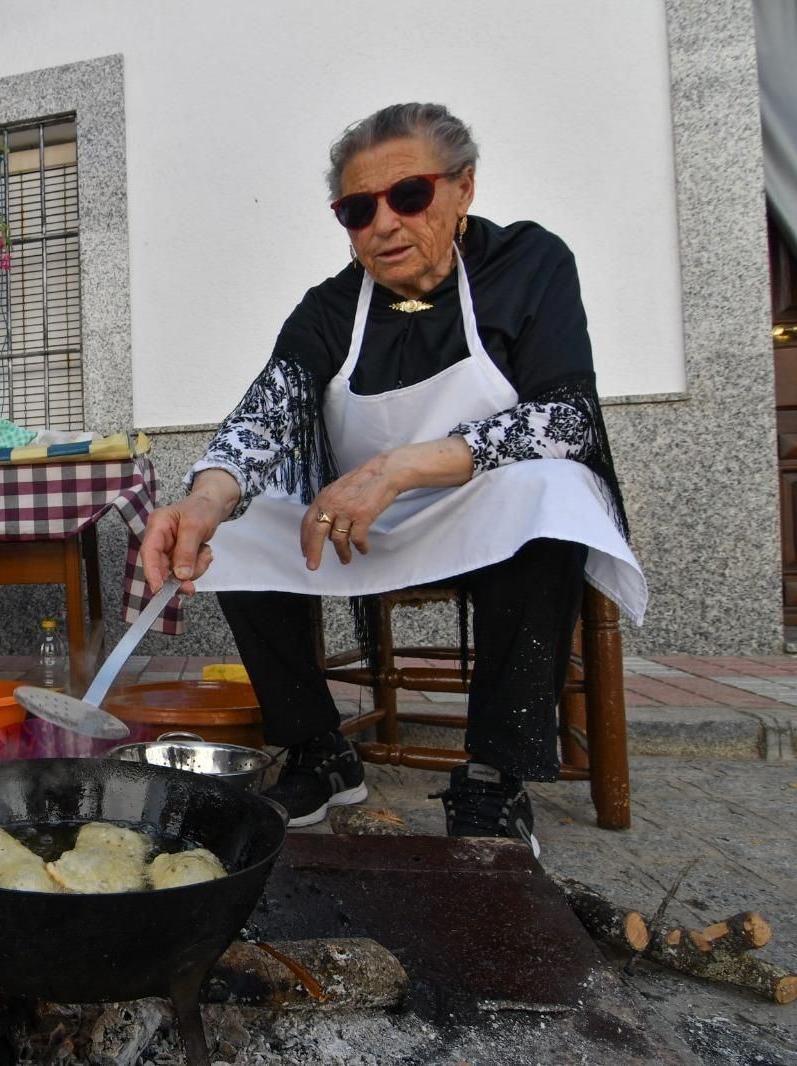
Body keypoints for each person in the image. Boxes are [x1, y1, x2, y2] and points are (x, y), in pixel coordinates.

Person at [140, 103, 645, 855]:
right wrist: (204, 499)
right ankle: (318, 748)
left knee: (554, 492)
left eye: (409, 195)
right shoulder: (330, 308)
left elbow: (567, 421)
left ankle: (495, 775)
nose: (383, 224)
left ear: (463, 187)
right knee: (236, 531)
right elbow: (265, 416)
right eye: (357, 209)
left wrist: (397, 467)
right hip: (363, 528)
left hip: (488, 513)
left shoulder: (527, 264)